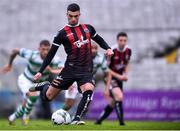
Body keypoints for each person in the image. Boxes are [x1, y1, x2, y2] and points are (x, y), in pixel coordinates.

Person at [29, 3, 113, 125]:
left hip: (86, 70)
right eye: (71, 16)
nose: (73, 19)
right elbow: (51, 54)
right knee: (48, 96)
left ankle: (76, 118)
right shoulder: (62, 33)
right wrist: (40, 72)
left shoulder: (88, 28)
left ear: (79, 15)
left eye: (76, 16)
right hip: (69, 70)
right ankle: (45, 85)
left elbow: (99, 39)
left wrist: (108, 48)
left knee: (89, 89)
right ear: (67, 15)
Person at [0, 40, 63, 125]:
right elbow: (15, 51)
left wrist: (51, 70)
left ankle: (12, 117)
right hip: (25, 80)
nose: (45, 52)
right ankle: (26, 117)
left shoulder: (54, 59)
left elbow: (63, 69)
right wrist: (9, 64)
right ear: (39, 49)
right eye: (43, 49)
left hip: (37, 84)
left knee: (25, 105)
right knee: (33, 96)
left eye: (47, 49)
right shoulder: (32, 55)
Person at [95, 32, 132, 125]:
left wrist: (125, 75)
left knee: (112, 102)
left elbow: (127, 63)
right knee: (119, 96)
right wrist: (120, 76)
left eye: (124, 40)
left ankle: (99, 120)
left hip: (119, 78)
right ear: (117, 40)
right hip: (109, 78)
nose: (123, 42)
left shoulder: (128, 50)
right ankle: (122, 123)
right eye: (121, 40)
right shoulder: (112, 51)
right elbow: (106, 69)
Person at [63, 44, 109, 111]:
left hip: (87, 81)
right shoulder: (81, 55)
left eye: (95, 49)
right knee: (68, 104)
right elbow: (70, 68)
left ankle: (76, 118)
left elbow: (107, 73)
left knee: (86, 103)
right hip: (75, 80)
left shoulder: (100, 58)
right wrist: (69, 83)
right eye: (92, 48)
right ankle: (59, 116)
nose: (93, 50)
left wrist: (107, 88)